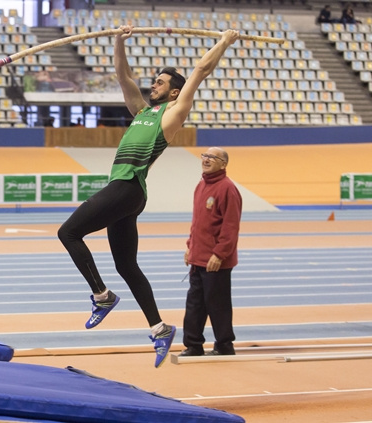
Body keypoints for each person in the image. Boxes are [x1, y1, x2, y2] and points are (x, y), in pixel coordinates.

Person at [57, 26, 240, 368]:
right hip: (128, 195)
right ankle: (159, 328)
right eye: (154, 80)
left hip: (126, 188)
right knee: (126, 265)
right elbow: (123, 77)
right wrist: (118, 42)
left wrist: (224, 42)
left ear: (174, 93)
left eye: (160, 82)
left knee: (67, 232)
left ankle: (102, 295)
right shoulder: (142, 113)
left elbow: (200, 71)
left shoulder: (171, 116)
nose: (153, 84)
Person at [180, 147, 242, 357]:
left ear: (223, 164)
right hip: (198, 258)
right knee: (194, 304)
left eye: (212, 157)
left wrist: (219, 254)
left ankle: (224, 345)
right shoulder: (201, 186)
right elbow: (198, 222)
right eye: (204, 156)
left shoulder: (228, 189)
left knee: (218, 305)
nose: (206, 160)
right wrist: (190, 247)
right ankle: (193, 345)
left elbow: (230, 227)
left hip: (216, 261)